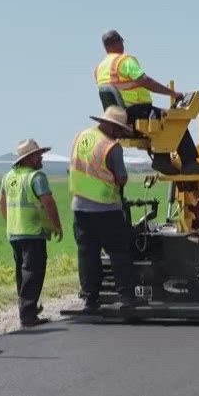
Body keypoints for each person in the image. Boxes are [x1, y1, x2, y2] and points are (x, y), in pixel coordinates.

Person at [95, 30, 199, 175]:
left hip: (118, 116)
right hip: (135, 111)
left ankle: (162, 159)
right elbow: (145, 81)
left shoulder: (99, 68)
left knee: (160, 117)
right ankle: (189, 163)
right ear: (119, 41)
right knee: (176, 120)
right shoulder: (125, 61)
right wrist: (172, 93)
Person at [70, 105, 140, 312]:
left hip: (80, 207)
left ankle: (90, 299)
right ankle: (126, 296)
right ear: (110, 126)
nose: (120, 134)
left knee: (87, 254)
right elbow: (121, 177)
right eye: (118, 129)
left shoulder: (80, 137)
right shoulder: (111, 146)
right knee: (118, 252)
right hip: (106, 208)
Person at [0, 138, 62, 327]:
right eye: (37, 155)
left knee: (22, 272)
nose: (40, 158)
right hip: (33, 232)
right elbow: (48, 202)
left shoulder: (8, 177)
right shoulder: (36, 177)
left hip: (14, 232)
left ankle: (27, 308)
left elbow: (1, 203)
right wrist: (57, 225)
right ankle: (28, 314)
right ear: (28, 158)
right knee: (33, 273)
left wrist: (10, 222)